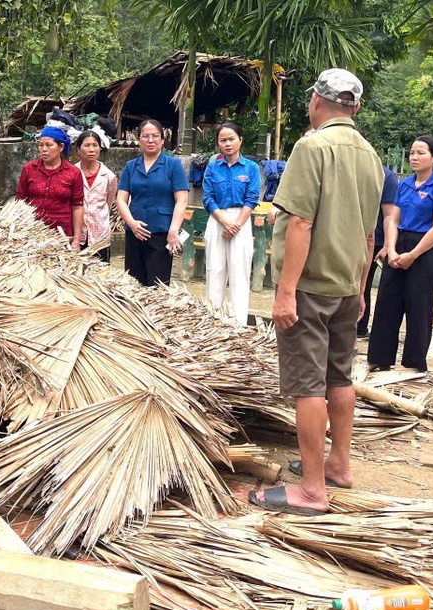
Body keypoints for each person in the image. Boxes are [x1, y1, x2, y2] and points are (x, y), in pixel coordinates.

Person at [248, 68, 384, 516]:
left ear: (315, 101)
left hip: (309, 286)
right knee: (339, 377)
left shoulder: (311, 146)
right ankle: (338, 465)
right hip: (347, 286)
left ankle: (310, 489)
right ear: (356, 108)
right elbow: (369, 234)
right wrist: (361, 290)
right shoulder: (370, 154)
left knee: (308, 386)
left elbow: (300, 223)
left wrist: (285, 292)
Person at [367, 136, 433, 372]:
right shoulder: (405, 184)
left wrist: (413, 255)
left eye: (421, 153)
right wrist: (392, 249)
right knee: (387, 301)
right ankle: (380, 357)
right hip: (399, 242)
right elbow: (394, 219)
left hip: (425, 248)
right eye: (412, 152)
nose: (414, 157)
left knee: (419, 304)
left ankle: (414, 362)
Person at [116, 119, 190, 286]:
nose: (150, 140)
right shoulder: (130, 166)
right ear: (139, 140)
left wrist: (173, 231)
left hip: (162, 233)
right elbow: (121, 199)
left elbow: (182, 200)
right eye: (145, 136)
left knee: (158, 285)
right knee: (134, 285)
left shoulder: (173, 165)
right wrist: (131, 223)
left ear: (162, 140)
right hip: (134, 232)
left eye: (155, 136)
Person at [202, 122, 262, 325]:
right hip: (218, 218)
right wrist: (224, 222)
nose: (228, 144)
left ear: (240, 140)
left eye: (231, 139)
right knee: (215, 270)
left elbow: (252, 198)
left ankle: (238, 324)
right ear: (218, 143)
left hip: (241, 221)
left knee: (240, 273)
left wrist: (236, 224)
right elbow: (208, 197)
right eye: (223, 140)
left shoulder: (251, 168)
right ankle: (212, 320)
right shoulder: (212, 167)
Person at [15, 126, 84, 251]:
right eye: (41, 145)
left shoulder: (73, 173)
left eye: (49, 145)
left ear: (61, 147)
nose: (44, 149)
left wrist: (76, 240)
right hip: (32, 233)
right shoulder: (29, 169)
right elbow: (20, 201)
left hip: (62, 234)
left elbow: (77, 206)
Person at [357, 166, 400, 337]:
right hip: (351, 236)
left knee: (364, 283)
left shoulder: (386, 176)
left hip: (376, 240)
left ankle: (359, 328)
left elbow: (390, 215)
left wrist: (388, 245)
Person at [76, 129, 117, 263]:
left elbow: (109, 203)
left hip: (100, 234)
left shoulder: (109, 176)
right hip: (77, 233)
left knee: (100, 275)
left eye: (95, 145)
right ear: (78, 149)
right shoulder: (72, 173)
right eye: (87, 145)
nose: (91, 149)